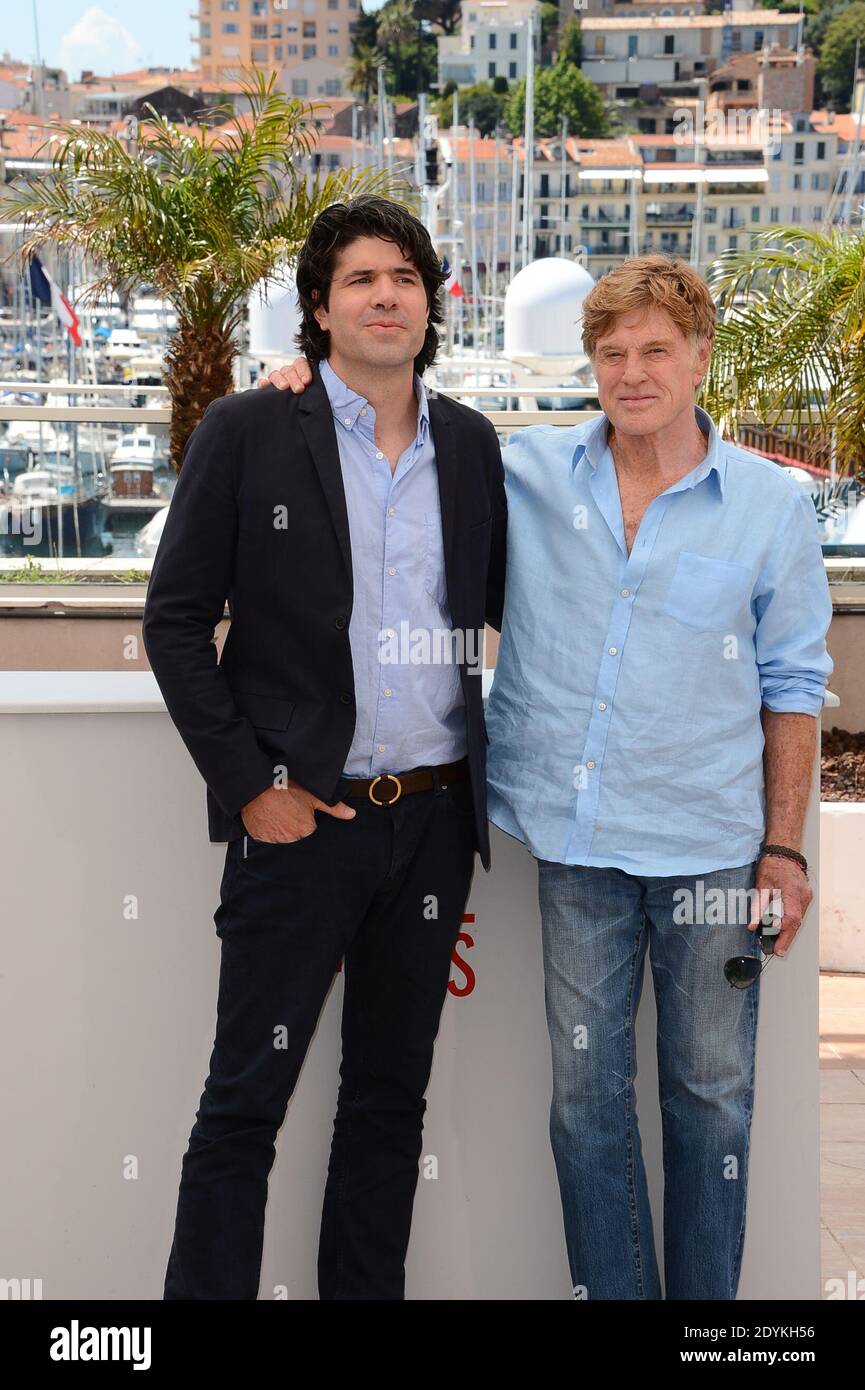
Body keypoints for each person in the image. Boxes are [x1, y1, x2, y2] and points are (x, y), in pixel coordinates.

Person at [259, 254, 833, 1300]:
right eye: (611, 353)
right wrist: (311, 377)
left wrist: (784, 847)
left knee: (711, 1102)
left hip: (712, 848)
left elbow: (793, 685)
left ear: (700, 358)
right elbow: (393, 428)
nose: (631, 372)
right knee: (583, 1105)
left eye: (655, 349)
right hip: (575, 849)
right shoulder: (523, 474)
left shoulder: (769, 508)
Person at [142, 195, 506, 1300]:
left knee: (390, 1105)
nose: (386, 293)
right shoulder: (252, 429)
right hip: (302, 826)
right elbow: (174, 621)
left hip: (433, 824)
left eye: (405, 275)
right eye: (360, 278)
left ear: (433, 303)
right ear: (319, 306)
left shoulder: (473, 445)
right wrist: (252, 787)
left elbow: (511, 599)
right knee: (244, 1103)